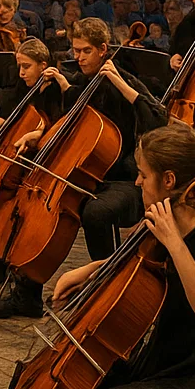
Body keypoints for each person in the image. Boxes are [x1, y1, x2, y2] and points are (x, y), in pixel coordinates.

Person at [53, 123, 195, 389]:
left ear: (168, 180)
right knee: (65, 387)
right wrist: (90, 270)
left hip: (194, 381)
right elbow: (135, 264)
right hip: (156, 360)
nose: (137, 182)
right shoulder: (161, 217)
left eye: (142, 174)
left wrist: (174, 242)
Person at [0, 38, 69, 318]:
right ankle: (11, 278)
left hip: (44, 166)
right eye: (19, 66)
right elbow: (12, 113)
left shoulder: (55, 93)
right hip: (25, 165)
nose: (21, 72)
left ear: (44, 66)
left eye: (27, 67)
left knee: (25, 222)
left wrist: (39, 135)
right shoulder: (25, 88)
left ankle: (26, 293)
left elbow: (59, 126)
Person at [65, 18, 168, 260]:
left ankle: (105, 274)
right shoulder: (82, 81)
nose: (79, 58)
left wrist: (121, 85)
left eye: (86, 51)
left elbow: (158, 119)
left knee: (95, 212)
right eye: (76, 51)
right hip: (89, 172)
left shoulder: (123, 79)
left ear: (102, 50)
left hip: (124, 178)